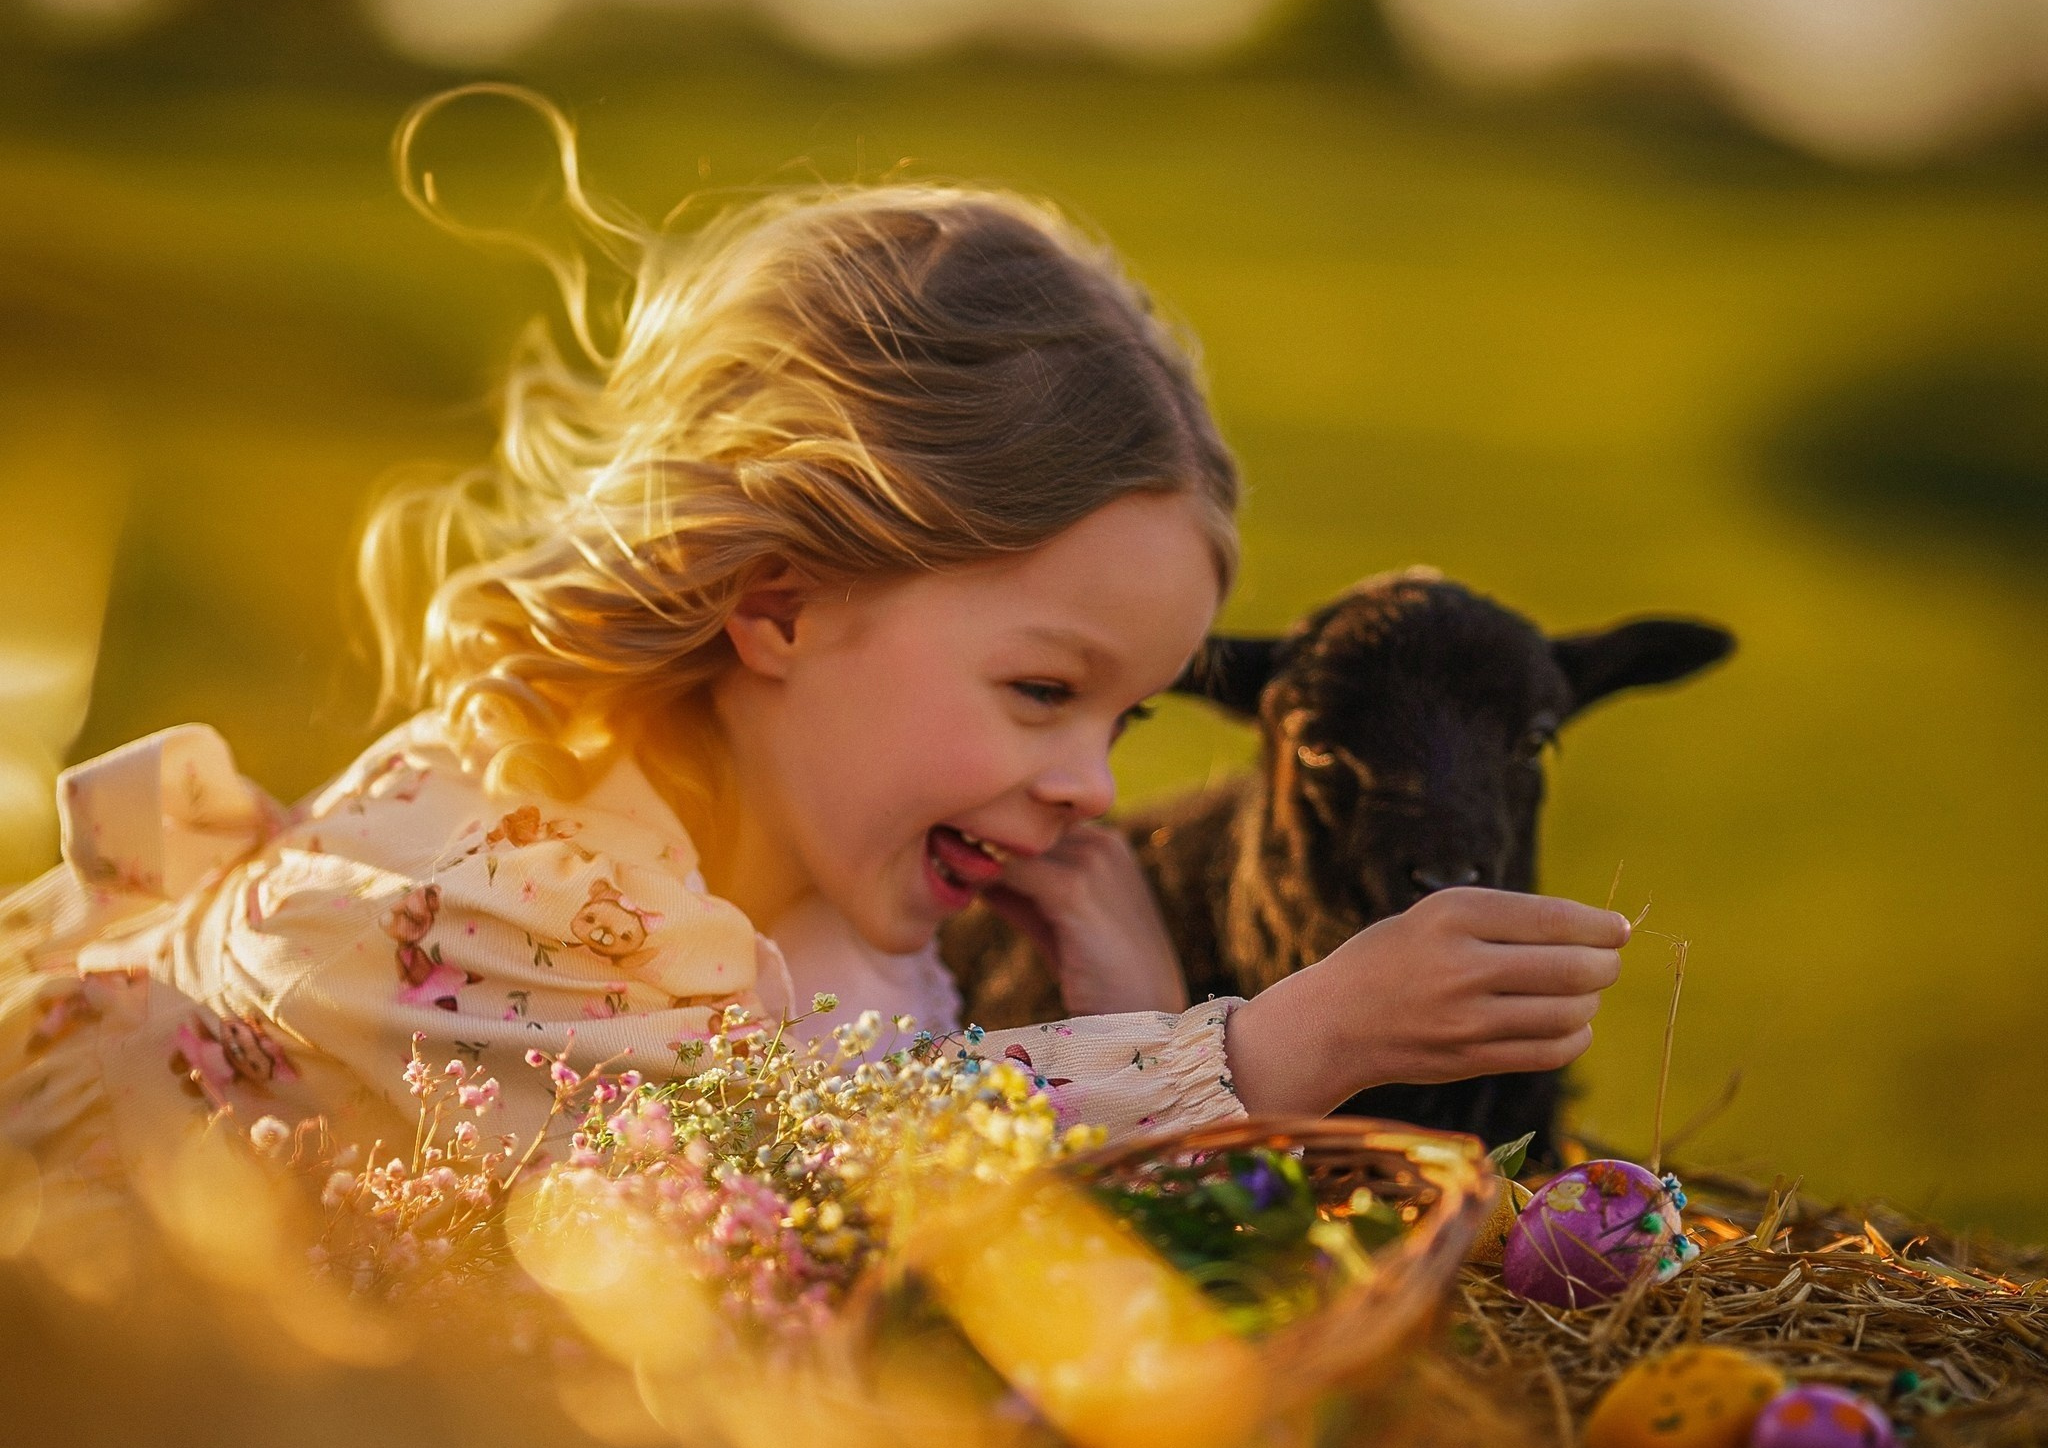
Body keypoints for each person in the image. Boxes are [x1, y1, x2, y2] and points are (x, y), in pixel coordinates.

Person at [0, 91, 1626, 1197]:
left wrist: (1127, 995)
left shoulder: (818, 922)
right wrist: (1272, 1045)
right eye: (1042, 691)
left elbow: (978, 1212)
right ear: (779, 606)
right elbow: (814, 1177)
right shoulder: (509, 888)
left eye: (1123, 723)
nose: (1088, 785)